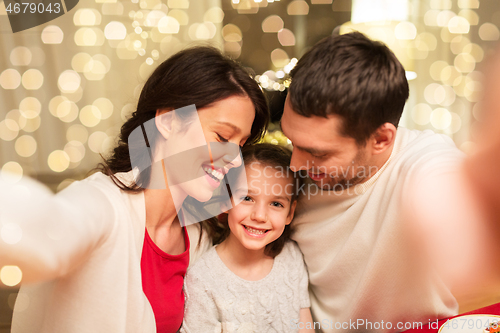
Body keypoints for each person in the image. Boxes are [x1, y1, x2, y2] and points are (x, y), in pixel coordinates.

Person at [0, 46, 269, 333]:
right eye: (222, 136)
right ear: (167, 120)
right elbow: (53, 229)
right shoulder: (103, 204)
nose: (234, 159)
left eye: (240, 146)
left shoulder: (198, 236)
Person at [279, 32, 464, 332]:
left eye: (318, 153)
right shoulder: (286, 176)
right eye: (292, 142)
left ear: (381, 139)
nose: (295, 165)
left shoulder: (425, 164)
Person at [180, 144, 314, 333]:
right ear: (225, 200)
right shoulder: (202, 280)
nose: (259, 216)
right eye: (247, 198)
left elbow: (304, 326)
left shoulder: (291, 256)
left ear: (290, 213)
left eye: (276, 203)